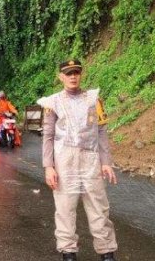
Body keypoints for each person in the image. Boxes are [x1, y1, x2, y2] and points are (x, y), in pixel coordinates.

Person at [36, 60, 117, 261]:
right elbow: (48, 136)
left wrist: (106, 161)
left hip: (90, 160)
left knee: (99, 207)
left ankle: (107, 252)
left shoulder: (93, 99)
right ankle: (68, 252)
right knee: (65, 208)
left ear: (81, 74)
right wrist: (48, 167)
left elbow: (101, 131)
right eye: (68, 73)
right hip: (64, 160)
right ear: (60, 76)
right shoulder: (52, 103)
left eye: (76, 72)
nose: (73, 76)